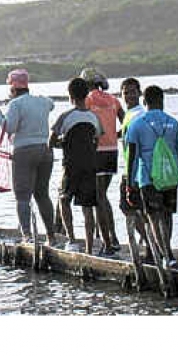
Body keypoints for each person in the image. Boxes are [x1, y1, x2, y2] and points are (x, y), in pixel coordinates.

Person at [124, 85, 178, 267]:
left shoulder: (137, 125)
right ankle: (168, 252)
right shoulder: (174, 123)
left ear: (144, 102)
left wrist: (130, 185)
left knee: (154, 218)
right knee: (167, 215)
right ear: (162, 101)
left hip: (148, 179)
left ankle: (168, 255)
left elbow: (132, 158)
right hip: (170, 178)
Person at [1, 69, 58, 244]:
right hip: (45, 149)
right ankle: (51, 236)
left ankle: (27, 236)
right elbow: (51, 104)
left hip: (24, 151)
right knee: (42, 194)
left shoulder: (15, 104)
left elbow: (9, 128)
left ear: (13, 88)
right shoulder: (42, 101)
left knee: (23, 196)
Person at [50, 77, 104, 253]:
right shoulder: (93, 117)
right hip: (90, 166)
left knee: (64, 200)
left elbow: (50, 142)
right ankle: (89, 247)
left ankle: (72, 239)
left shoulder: (65, 117)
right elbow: (97, 138)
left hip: (71, 166)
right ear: (87, 95)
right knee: (87, 207)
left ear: (70, 96)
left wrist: (64, 143)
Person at [82, 67, 124, 253]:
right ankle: (110, 236)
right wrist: (115, 136)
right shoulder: (113, 99)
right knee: (103, 196)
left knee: (99, 197)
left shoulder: (88, 100)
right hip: (112, 151)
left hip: (96, 151)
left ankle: (110, 240)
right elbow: (127, 121)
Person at [116, 77, 148, 258]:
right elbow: (125, 132)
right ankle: (151, 243)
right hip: (131, 167)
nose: (129, 96)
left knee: (128, 207)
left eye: (132, 92)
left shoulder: (139, 114)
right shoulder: (129, 114)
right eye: (125, 92)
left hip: (135, 169)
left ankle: (151, 242)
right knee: (136, 209)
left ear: (139, 93)